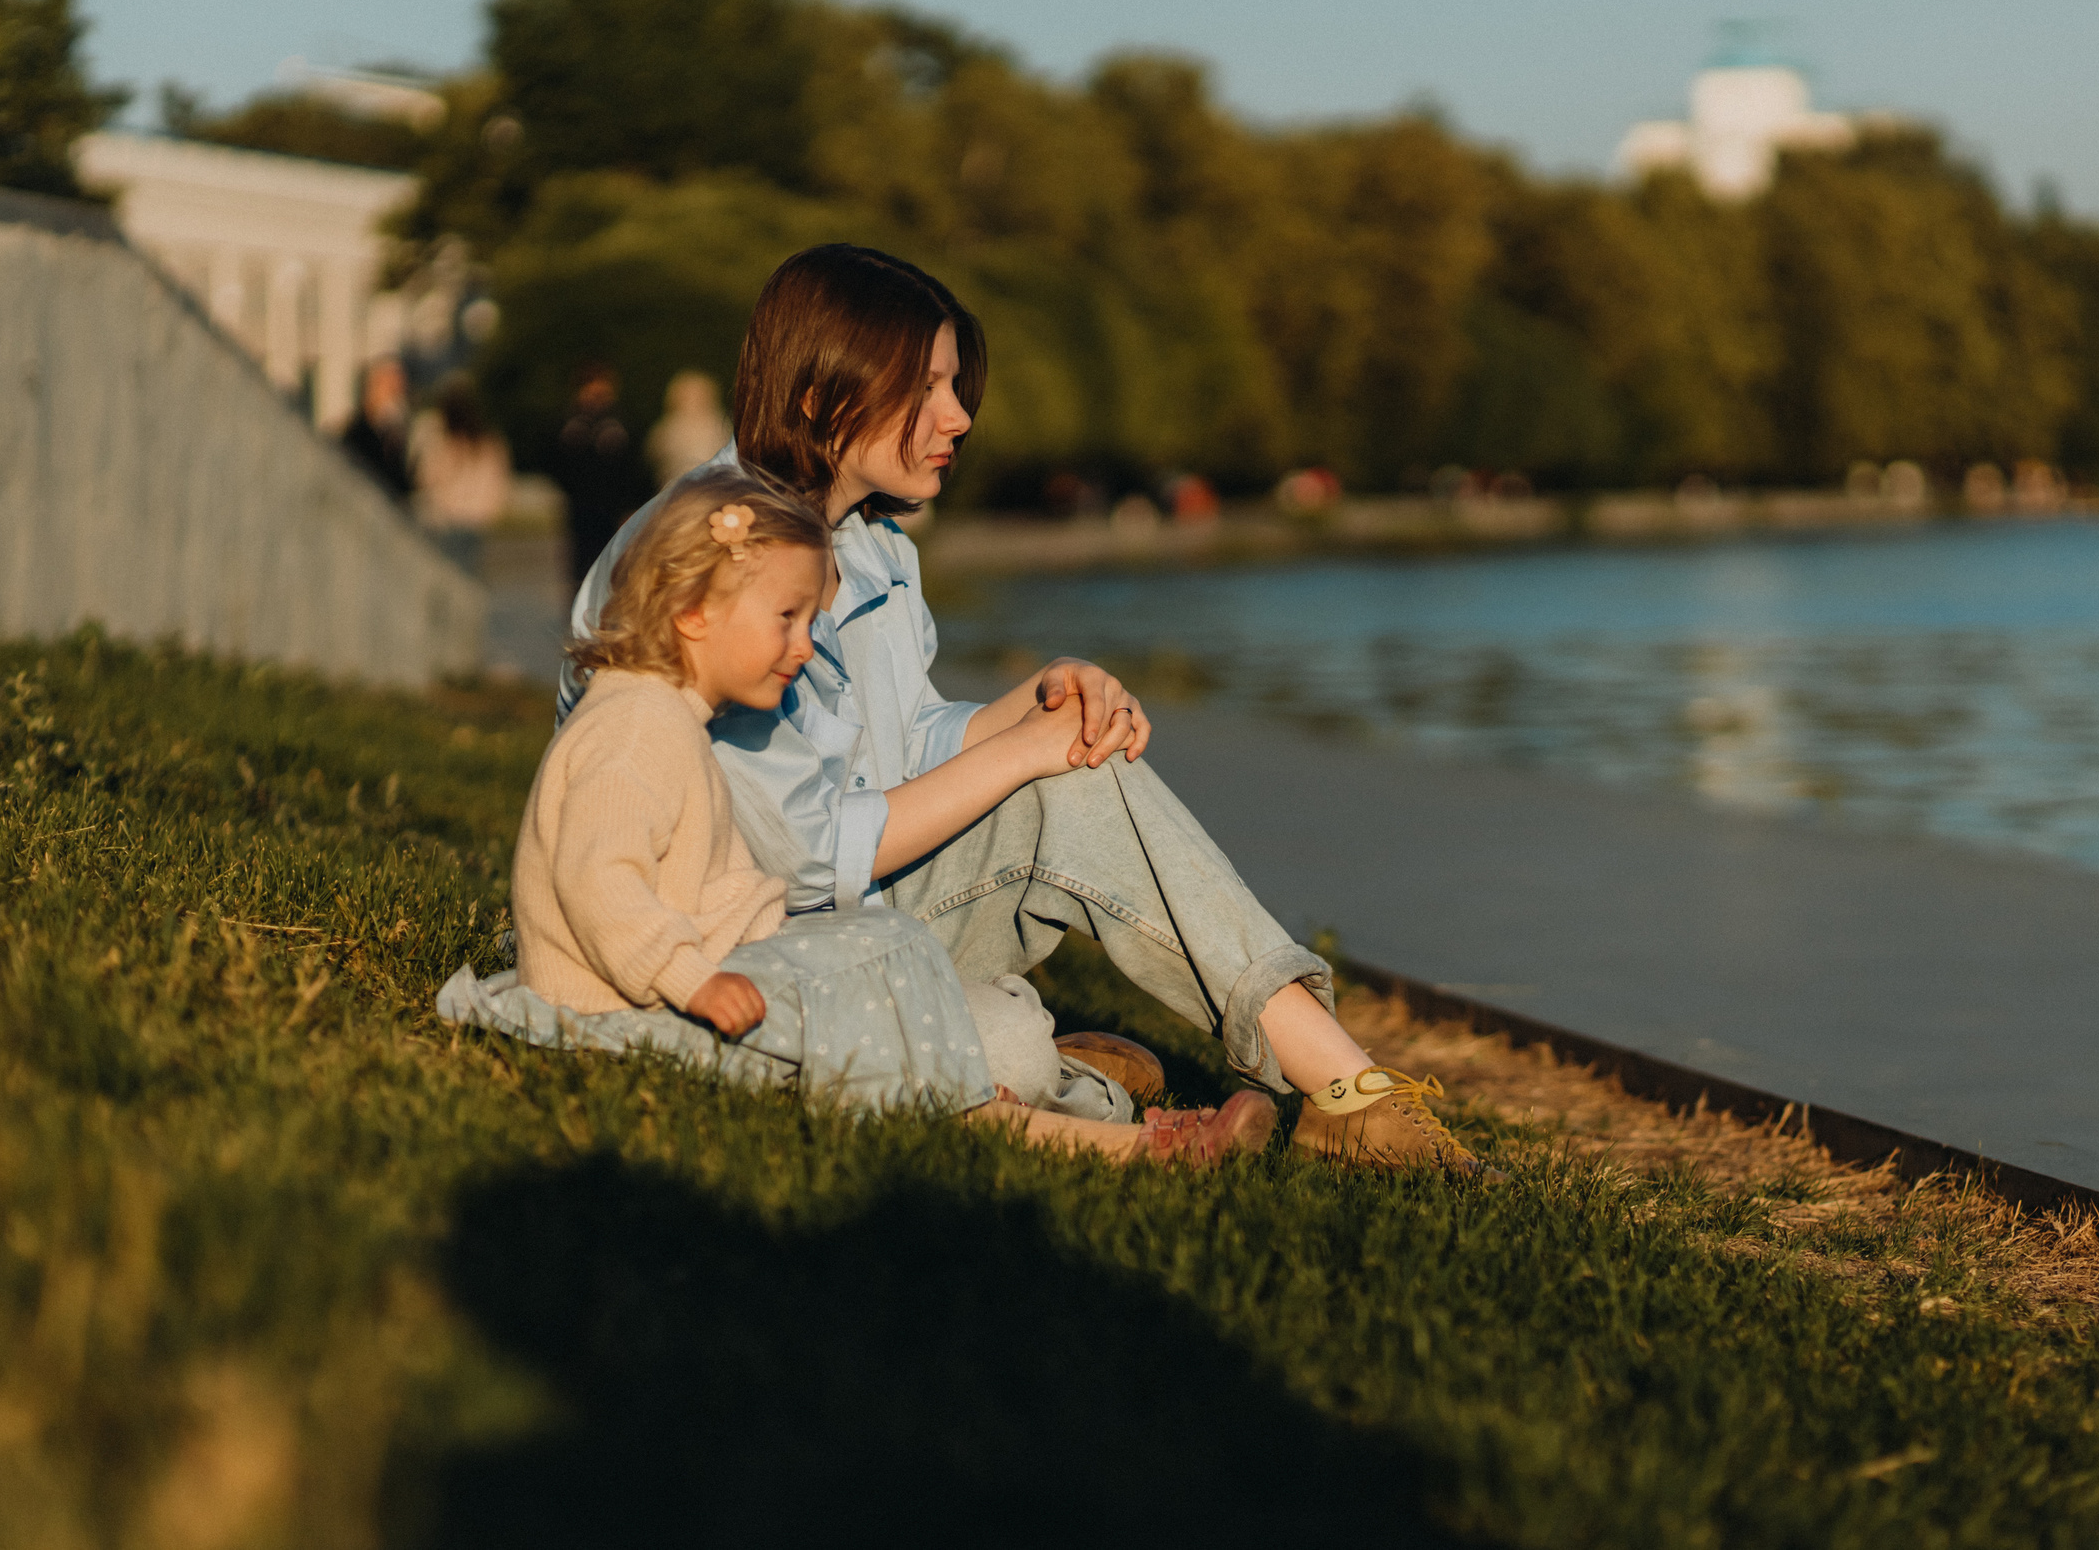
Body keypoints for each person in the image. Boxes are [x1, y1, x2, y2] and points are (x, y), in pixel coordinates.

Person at [560, 245, 1493, 1176]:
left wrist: (1037, 702)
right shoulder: (705, 562)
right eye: (924, 388)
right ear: (819, 393)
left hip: (847, 921)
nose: (959, 416)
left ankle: (1345, 1092)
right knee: (1002, 1043)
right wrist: (1020, 756)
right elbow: (804, 852)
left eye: (956, 385)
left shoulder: (872, 546)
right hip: (716, 953)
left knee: (1078, 766)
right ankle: (1068, 1076)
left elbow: (905, 748)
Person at [492, 468, 1273, 1162]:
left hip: (685, 979)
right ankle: (1122, 1140)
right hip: (622, 1007)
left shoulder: (670, 718)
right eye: (787, 618)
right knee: (887, 987)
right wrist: (694, 980)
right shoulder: (633, 731)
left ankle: (1056, 1105)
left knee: (889, 956)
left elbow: (717, 885)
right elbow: (601, 887)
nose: (804, 647)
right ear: (695, 613)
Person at [543, 361, 652, 588]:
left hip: (615, 506)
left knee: (616, 562)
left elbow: (635, 466)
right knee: (582, 565)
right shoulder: (570, 422)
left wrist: (633, 504)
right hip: (581, 505)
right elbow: (553, 459)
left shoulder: (622, 421)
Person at [410, 377, 512, 576]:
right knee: (470, 572)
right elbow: (498, 481)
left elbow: (424, 478)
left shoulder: (442, 443)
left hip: (448, 519)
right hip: (477, 519)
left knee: (450, 575)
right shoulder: (488, 443)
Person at [342, 356, 413, 502]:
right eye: (392, 387)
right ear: (373, 387)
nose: (399, 394)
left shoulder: (392, 435)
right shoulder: (357, 436)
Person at [647, 368, 733, 487]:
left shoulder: (720, 425)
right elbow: (653, 454)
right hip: (676, 491)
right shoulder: (670, 427)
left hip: (713, 489)